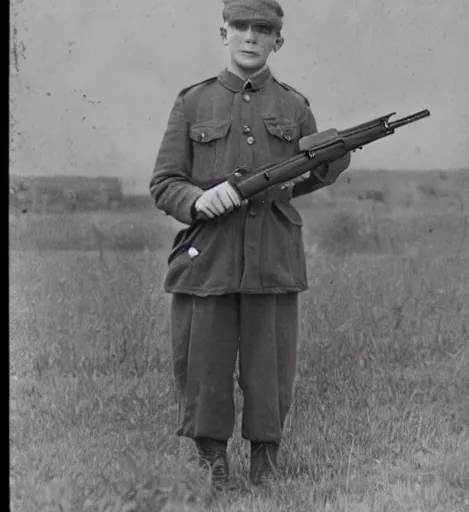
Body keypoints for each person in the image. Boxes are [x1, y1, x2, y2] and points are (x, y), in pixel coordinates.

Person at [149, 0, 350, 490]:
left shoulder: (295, 106)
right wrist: (199, 201)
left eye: (263, 30)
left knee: (271, 365)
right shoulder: (191, 102)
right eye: (240, 27)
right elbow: (164, 183)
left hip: (273, 254)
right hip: (209, 256)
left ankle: (266, 461)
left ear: (277, 42)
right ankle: (212, 461)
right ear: (224, 33)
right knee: (204, 363)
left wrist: (334, 157)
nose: (250, 37)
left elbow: (305, 176)